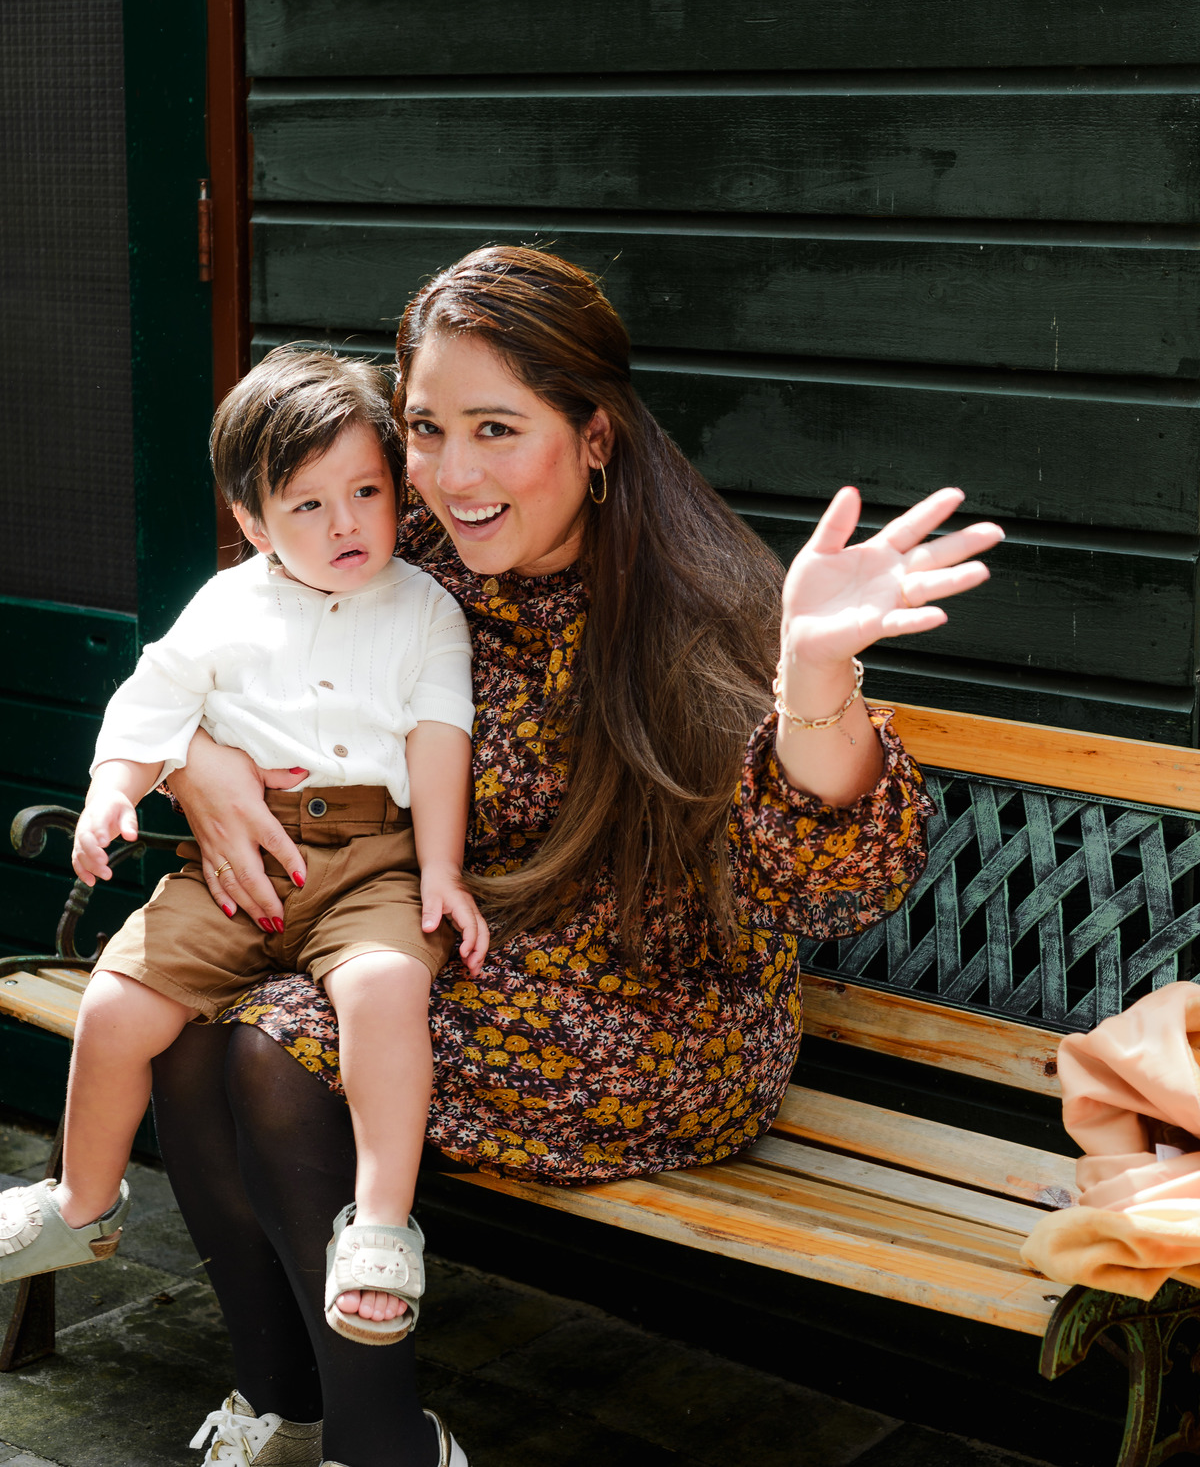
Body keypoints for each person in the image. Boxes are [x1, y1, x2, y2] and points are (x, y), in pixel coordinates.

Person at [149, 248, 1003, 1467]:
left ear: (595, 436)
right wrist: (195, 757)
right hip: (465, 962)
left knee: (276, 1050)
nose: (452, 474)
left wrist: (817, 682)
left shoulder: (689, 605)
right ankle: (286, 1413)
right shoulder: (407, 569)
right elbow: (223, 662)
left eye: (499, 429)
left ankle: (383, 1447)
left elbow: (835, 886)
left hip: (660, 1017)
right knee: (186, 1033)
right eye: (428, 429)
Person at [0, 349, 487, 1357]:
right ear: (255, 522)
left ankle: (383, 1227)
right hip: (241, 870)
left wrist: (439, 866)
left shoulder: (427, 609)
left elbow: (442, 739)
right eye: (306, 506)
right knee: (118, 1002)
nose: (346, 523)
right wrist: (109, 794)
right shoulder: (229, 604)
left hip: (373, 861)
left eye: (365, 492)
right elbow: (154, 701)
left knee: (388, 987)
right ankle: (82, 1203)